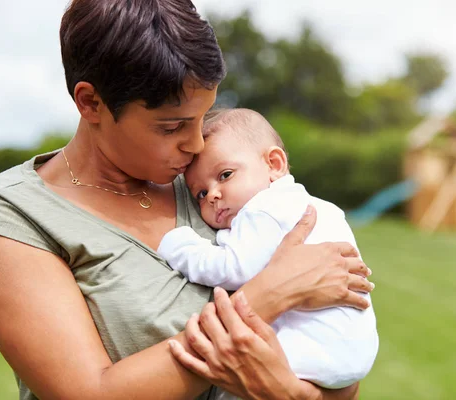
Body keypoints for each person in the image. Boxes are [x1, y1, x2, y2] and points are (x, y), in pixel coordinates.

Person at [0, 1, 374, 399]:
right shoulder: (12, 213)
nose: (195, 144)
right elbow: (88, 393)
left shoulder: (210, 183)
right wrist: (272, 294)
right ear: (91, 103)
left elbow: (336, 368)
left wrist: (293, 393)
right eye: (172, 126)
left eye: (203, 117)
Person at [158, 108, 378, 398]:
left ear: (274, 164)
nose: (212, 194)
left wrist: (179, 246)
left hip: (313, 345)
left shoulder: (265, 209)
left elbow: (233, 269)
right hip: (349, 346)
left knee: (233, 375)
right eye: (200, 193)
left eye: (225, 175)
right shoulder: (306, 204)